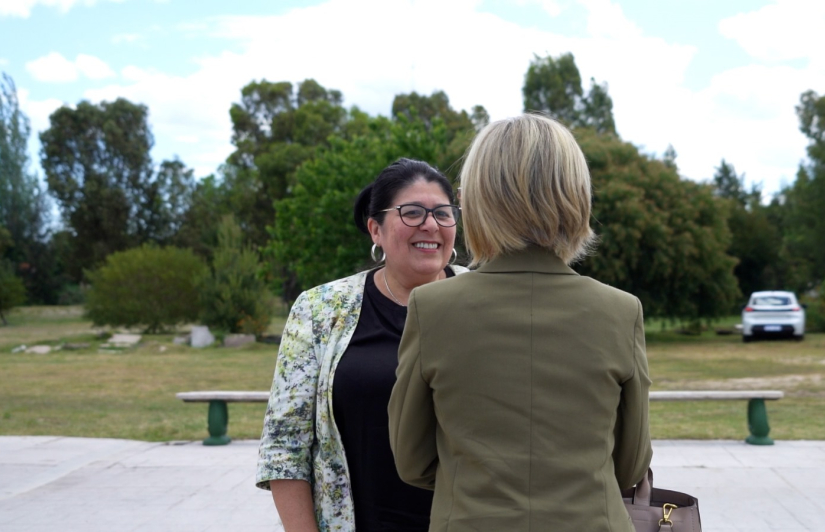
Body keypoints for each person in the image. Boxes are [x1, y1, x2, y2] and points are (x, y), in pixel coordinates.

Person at [388, 114, 653, 531]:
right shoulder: (621, 311)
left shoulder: (431, 308)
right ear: (576, 196)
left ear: (476, 199)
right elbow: (631, 463)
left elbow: (412, 461)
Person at [257, 158, 468, 532]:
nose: (431, 225)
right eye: (413, 212)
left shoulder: (482, 303)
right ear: (375, 229)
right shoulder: (319, 310)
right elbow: (284, 449)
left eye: (443, 213)